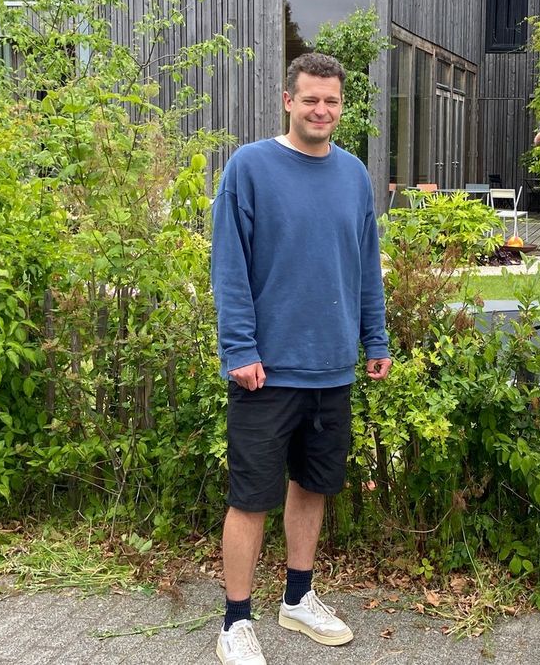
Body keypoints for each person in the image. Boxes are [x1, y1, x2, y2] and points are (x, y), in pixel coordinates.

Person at [210, 52, 392, 665]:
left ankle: (297, 597)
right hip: (264, 372)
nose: (321, 110)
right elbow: (229, 266)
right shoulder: (251, 168)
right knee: (251, 497)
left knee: (312, 487)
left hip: (332, 366)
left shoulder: (353, 176)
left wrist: (376, 338)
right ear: (288, 100)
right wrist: (238, 347)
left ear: (342, 106)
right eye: (310, 98)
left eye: (331, 101)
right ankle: (235, 622)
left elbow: (366, 264)